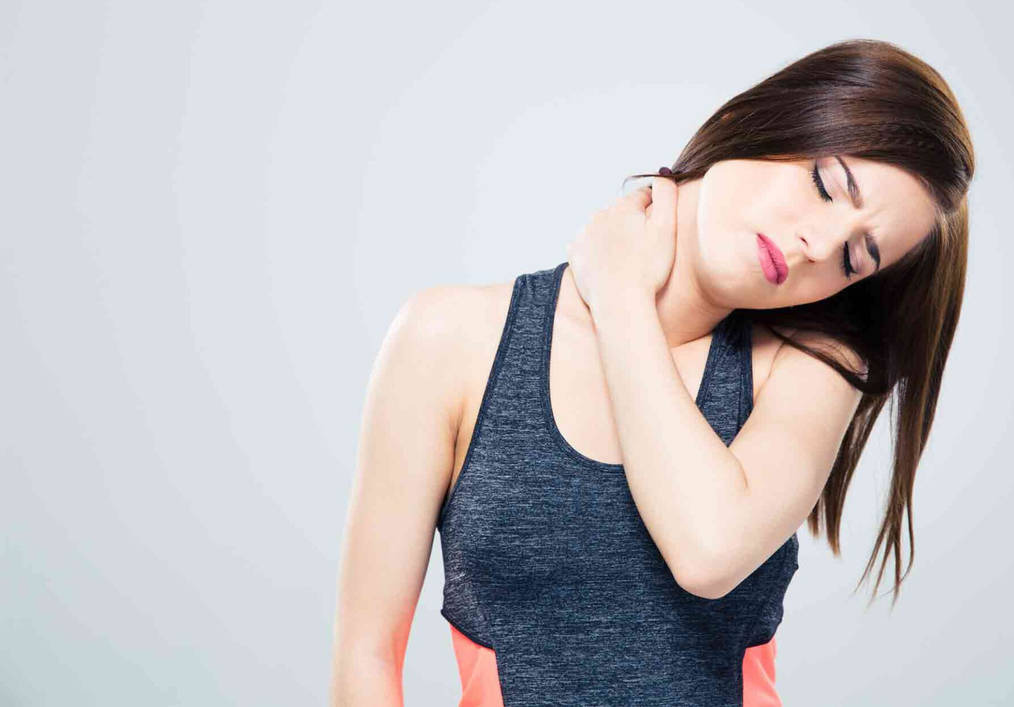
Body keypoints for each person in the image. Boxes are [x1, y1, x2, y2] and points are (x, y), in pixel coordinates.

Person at [331, 38, 975, 706]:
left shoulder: (809, 368)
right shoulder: (449, 339)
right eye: (825, 185)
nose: (817, 244)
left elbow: (708, 551)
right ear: (759, 117)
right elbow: (366, 657)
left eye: (853, 258)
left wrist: (621, 297)